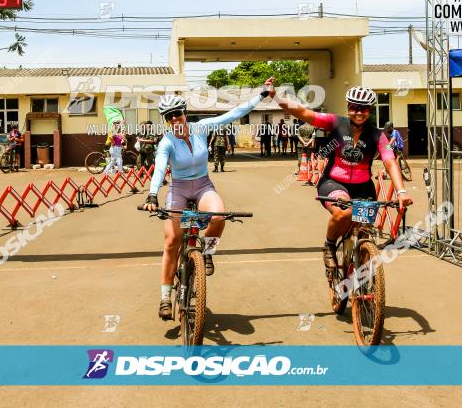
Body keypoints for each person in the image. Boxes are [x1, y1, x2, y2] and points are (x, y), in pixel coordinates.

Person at [143, 78, 276, 319]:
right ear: (166, 120)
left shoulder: (201, 128)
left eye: (178, 113)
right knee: (172, 240)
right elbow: (160, 168)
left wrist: (262, 95)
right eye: (169, 116)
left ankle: (207, 254)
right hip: (179, 189)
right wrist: (153, 194)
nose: (175, 119)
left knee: (218, 217)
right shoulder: (166, 142)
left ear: (185, 113)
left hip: (203, 185)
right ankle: (164, 297)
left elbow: (233, 113)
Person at [273, 86, 413, 269]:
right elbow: (304, 113)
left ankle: (361, 281)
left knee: (364, 231)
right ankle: (329, 246)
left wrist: (401, 191)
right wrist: (275, 96)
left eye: (363, 108)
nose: (359, 112)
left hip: (363, 187)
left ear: (369, 110)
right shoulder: (335, 123)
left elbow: (390, 161)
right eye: (355, 107)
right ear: (348, 107)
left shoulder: (377, 135)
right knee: (344, 213)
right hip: (334, 183)